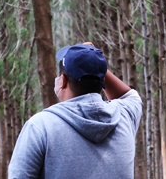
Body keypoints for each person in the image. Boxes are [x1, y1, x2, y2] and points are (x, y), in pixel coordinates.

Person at [8, 42, 143, 179]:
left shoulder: (40, 127)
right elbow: (129, 95)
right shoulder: (124, 116)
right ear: (103, 80)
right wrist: (95, 65)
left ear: (62, 81)